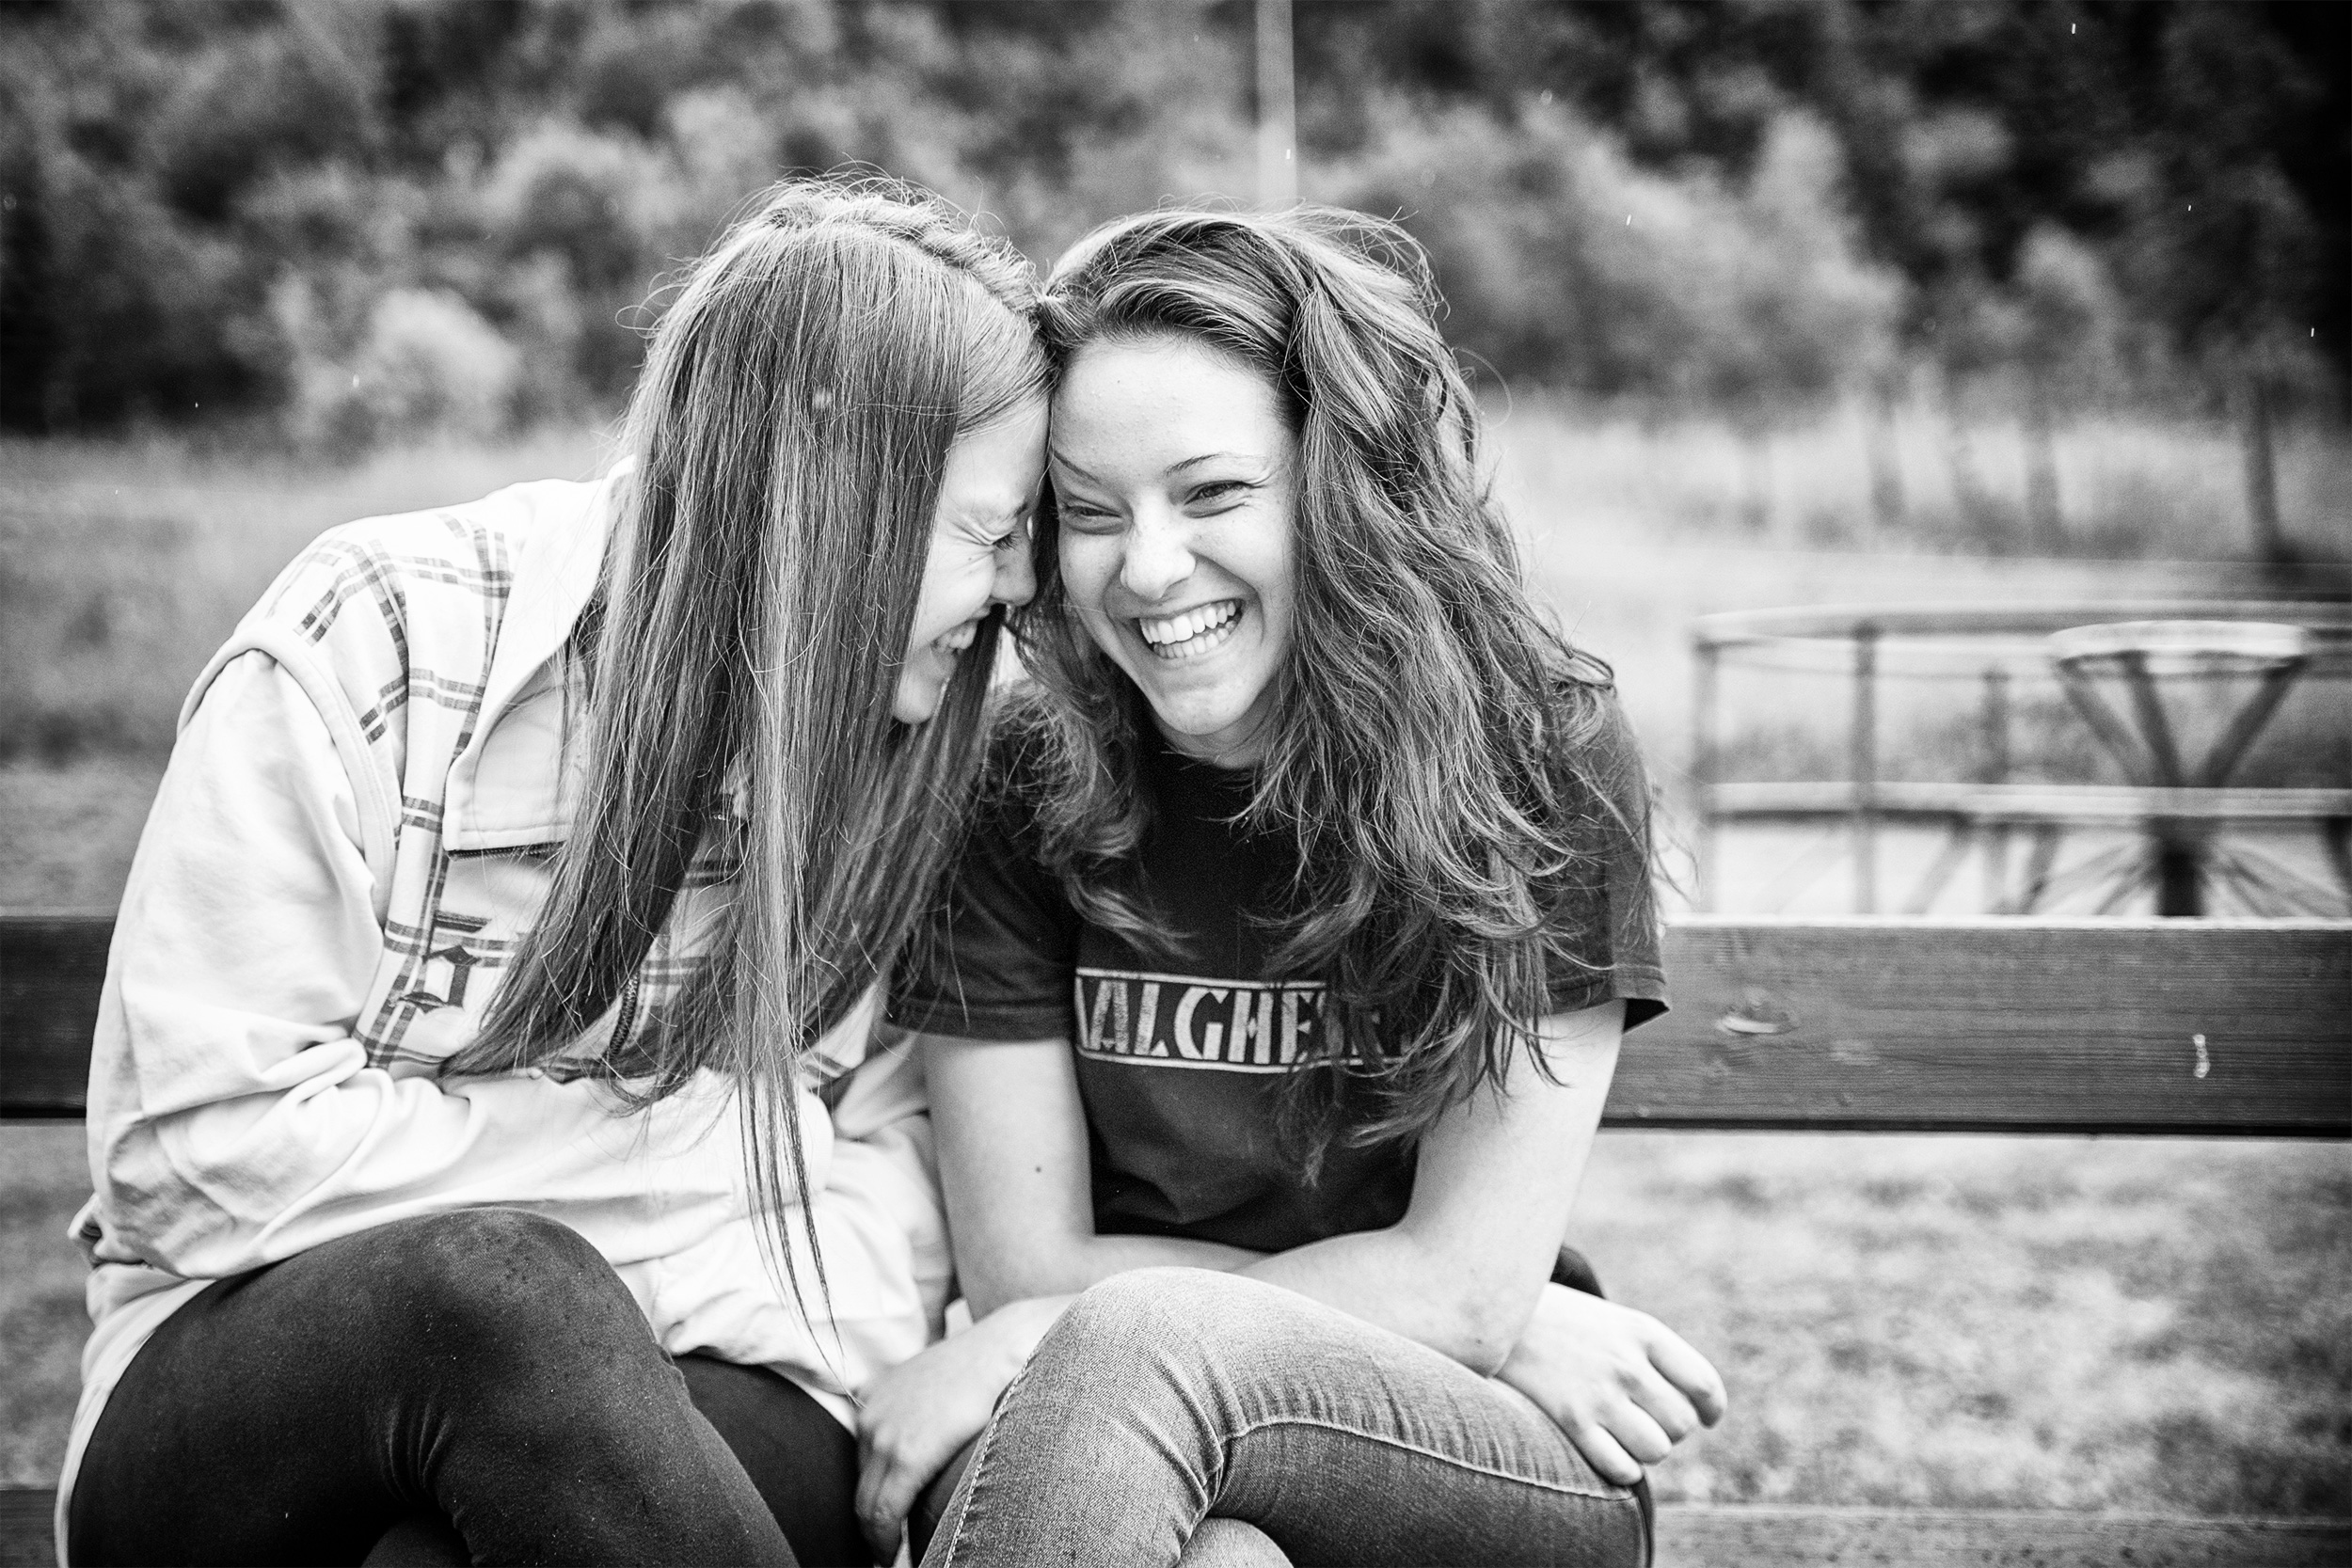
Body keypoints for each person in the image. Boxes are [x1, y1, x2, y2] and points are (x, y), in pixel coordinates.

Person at [58, 178, 1052, 1568]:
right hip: (247, 1398)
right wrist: (700, 1166)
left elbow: (885, 1223)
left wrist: (591, 1297)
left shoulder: (925, 748)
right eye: (990, 532)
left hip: (731, 1386)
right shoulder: (385, 637)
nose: (1018, 587)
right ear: (832, 483)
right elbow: (196, 1155)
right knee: (500, 1302)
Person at [874, 206, 1727, 1567]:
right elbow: (1028, 1271)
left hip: (1466, 1435)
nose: (1148, 567)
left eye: (1213, 494)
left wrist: (1479, 1313)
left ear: (1343, 491)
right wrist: (1464, 1307)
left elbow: (1461, 1287)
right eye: (1090, 512)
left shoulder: (1531, 756)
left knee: (1135, 1349)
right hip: (1108, 1435)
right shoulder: (1022, 781)